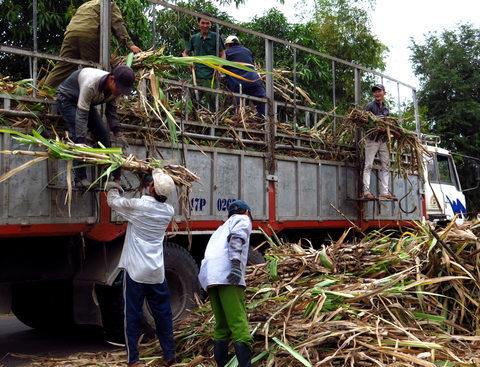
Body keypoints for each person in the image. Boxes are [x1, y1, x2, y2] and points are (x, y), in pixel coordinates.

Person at [106, 169, 177, 367]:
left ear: (152, 188)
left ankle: (133, 359)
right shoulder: (168, 211)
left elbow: (113, 201)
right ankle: (169, 353)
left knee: (132, 315)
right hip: (156, 272)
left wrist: (115, 182)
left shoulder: (139, 206)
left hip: (136, 272)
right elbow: (150, 200)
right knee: (163, 314)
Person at [56, 65, 134, 187]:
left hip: (87, 103)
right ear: (112, 79)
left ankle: (106, 178)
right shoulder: (91, 84)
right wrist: (82, 142)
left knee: (103, 135)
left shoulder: (116, 91)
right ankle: (80, 178)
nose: (120, 92)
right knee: (79, 135)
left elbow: (111, 112)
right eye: (119, 88)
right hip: (67, 99)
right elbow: (81, 117)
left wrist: (118, 133)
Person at [198, 200, 254, 367]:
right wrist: (236, 264)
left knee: (221, 325)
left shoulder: (220, 229)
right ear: (247, 212)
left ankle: (222, 364)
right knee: (238, 323)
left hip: (210, 277)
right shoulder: (243, 219)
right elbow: (237, 237)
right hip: (228, 275)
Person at [45, 0, 142, 89]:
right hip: (89, 35)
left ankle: (44, 92)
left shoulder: (86, 4)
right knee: (94, 70)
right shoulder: (108, 4)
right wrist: (130, 44)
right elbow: (118, 24)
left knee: (63, 66)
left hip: (71, 34)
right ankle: (94, 102)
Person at [182, 12, 226, 109]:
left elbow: (222, 54)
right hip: (196, 76)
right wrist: (189, 62)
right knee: (190, 105)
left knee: (215, 105)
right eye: (203, 23)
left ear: (211, 24)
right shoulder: (194, 38)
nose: (205, 25)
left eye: (208, 23)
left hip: (211, 77)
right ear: (198, 23)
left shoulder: (215, 37)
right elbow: (185, 53)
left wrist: (219, 68)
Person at [362, 84, 397, 200]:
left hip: (383, 140)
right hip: (372, 139)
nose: (377, 93)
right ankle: (366, 192)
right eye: (375, 92)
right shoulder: (369, 106)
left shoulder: (386, 109)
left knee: (386, 166)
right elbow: (363, 122)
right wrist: (376, 127)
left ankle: (384, 192)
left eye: (379, 91)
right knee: (368, 165)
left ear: (384, 93)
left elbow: (388, 124)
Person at [224, 35, 266, 119]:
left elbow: (223, 68)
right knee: (262, 107)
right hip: (255, 81)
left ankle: (241, 122)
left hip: (239, 84)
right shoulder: (247, 51)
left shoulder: (226, 53)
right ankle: (264, 122)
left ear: (227, 45)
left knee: (239, 111)